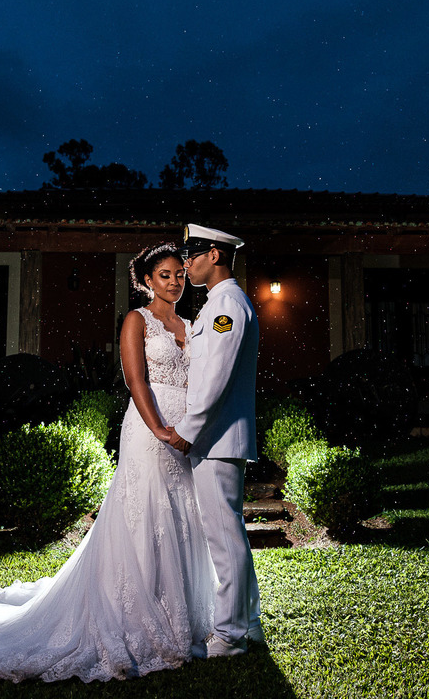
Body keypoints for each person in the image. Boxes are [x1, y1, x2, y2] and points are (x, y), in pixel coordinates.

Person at [0, 243, 214, 682]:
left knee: (181, 513)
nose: (175, 282)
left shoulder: (192, 325)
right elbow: (135, 379)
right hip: (151, 427)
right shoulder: (136, 320)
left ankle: (178, 609)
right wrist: (160, 428)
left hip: (188, 433)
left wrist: (194, 425)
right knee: (145, 513)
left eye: (180, 274)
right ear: (146, 281)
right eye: (165, 275)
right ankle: (135, 613)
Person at [166, 223, 262, 659]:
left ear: (215, 255)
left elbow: (216, 380)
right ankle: (248, 624)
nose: (186, 264)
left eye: (193, 255)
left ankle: (229, 635)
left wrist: (188, 430)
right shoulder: (218, 304)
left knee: (224, 539)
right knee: (229, 534)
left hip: (217, 438)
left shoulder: (227, 305)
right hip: (218, 437)